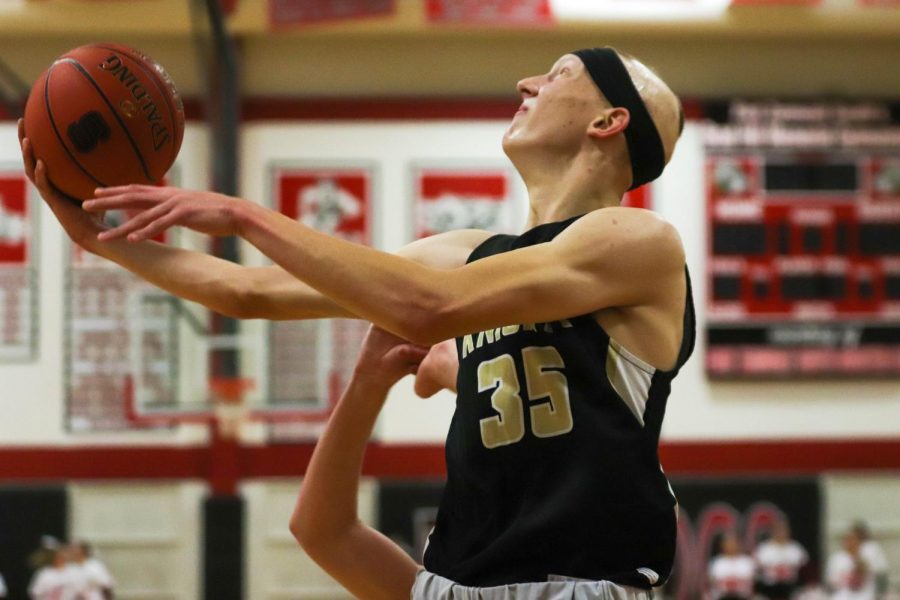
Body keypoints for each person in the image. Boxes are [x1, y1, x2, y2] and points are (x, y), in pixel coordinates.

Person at [23, 46, 692, 598]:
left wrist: (247, 215)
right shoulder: (468, 257)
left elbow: (429, 306)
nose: (527, 81)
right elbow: (248, 291)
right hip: (458, 583)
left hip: (582, 582)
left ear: (607, 121)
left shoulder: (636, 240)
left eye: (558, 74)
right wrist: (97, 241)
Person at [755, 521, 809, 600]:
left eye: (783, 530)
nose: (780, 533)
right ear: (772, 532)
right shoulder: (764, 549)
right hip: (769, 587)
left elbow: (805, 567)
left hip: (791, 587)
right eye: (778, 530)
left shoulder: (796, 548)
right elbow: (757, 568)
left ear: (788, 532)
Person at [827, 528, 878, 600]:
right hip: (843, 595)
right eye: (848, 540)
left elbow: (866, 574)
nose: (851, 543)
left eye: (854, 540)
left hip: (864, 595)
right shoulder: (836, 558)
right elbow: (832, 581)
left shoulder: (868, 554)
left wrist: (856, 557)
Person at [709, 532, 757, 600]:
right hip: (722, 596)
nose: (730, 547)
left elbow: (750, 582)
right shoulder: (717, 562)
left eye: (733, 544)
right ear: (723, 546)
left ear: (738, 545)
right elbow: (713, 581)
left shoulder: (747, 561)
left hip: (742, 596)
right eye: (728, 544)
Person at [851, 521, 889, 600]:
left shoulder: (868, 546)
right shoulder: (871, 545)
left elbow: (867, 565)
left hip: (877, 575)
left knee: (877, 595)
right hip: (878, 573)